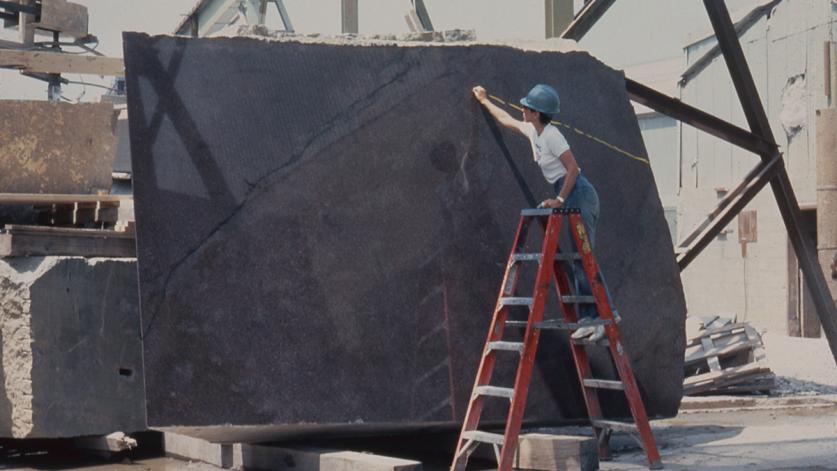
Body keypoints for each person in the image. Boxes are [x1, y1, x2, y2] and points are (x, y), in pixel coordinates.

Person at [472, 83, 605, 341]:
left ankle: (596, 319)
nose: (522, 109)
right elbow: (507, 121)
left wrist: (559, 199)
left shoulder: (553, 136)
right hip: (568, 191)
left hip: (579, 192)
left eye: (527, 107)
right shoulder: (535, 131)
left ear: (536, 113)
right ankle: (590, 317)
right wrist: (484, 101)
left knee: (583, 255)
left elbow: (573, 169)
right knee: (580, 256)